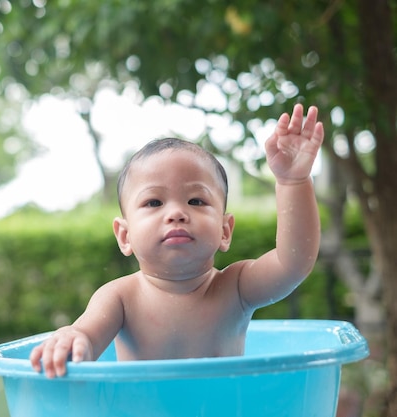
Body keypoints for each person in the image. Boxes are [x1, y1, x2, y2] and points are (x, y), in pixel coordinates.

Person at [30, 104, 324, 378]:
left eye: (196, 200)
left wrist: (292, 182)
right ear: (125, 235)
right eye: (154, 202)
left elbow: (293, 262)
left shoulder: (236, 287)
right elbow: (86, 338)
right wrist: (72, 337)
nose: (177, 213)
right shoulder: (119, 297)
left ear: (225, 230)